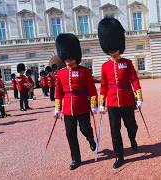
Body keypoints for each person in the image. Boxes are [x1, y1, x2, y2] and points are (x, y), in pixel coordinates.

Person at [97, 17, 143, 169]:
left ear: (119, 46)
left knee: (131, 125)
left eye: (114, 48)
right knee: (114, 130)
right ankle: (119, 155)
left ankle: (132, 137)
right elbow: (103, 85)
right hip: (111, 102)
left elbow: (134, 81)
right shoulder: (104, 66)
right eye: (110, 49)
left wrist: (139, 96)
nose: (113, 52)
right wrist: (101, 103)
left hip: (127, 100)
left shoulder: (127, 63)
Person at [54, 33, 98, 170]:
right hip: (67, 108)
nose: (68, 60)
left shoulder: (84, 71)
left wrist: (93, 104)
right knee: (70, 134)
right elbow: (58, 93)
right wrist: (57, 108)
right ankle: (75, 158)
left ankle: (91, 139)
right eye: (66, 57)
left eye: (70, 57)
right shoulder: (60, 73)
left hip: (82, 106)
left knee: (85, 129)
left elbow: (91, 90)